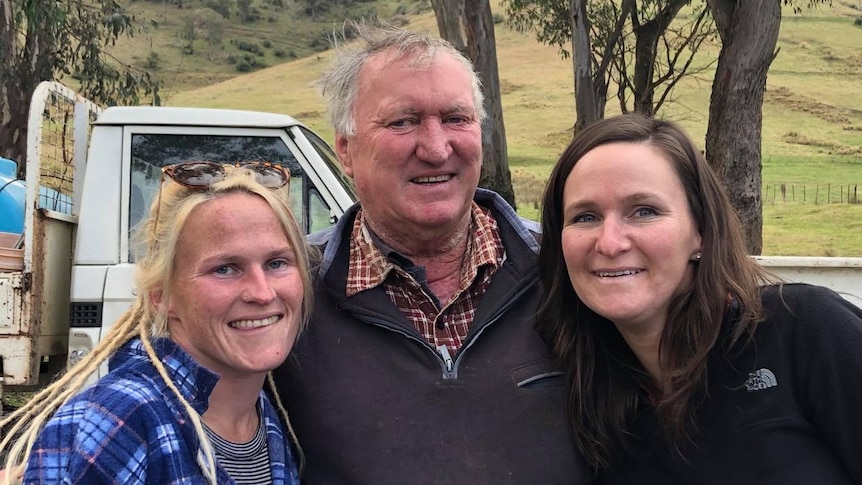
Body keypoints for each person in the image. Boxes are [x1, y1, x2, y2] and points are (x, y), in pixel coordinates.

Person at [272, 23, 587, 483]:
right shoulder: (288, 292)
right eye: (403, 122)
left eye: (457, 118)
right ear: (346, 150)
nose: (437, 149)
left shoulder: (568, 268)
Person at [537, 112, 862, 484]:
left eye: (644, 211)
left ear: (702, 233)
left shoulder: (803, 331)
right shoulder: (582, 394)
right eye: (585, 217)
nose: (610, 242)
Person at [0, 161, 311, 484]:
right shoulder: (122, 422)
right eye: (225, 268)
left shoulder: (261, 414)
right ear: (161, 294)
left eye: (277, 263)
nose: (262, 293)